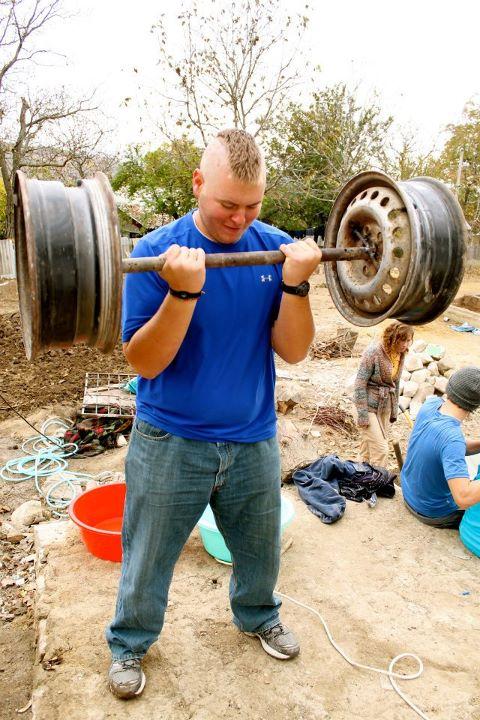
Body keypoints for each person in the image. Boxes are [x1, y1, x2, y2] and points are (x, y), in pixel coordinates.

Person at [105, 129, 322, 699]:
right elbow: (145, 361)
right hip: (170, 439)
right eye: (228, 203)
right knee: (148, 554)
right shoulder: (158, 253)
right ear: (198, 183)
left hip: (253, 436)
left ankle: (258, 615)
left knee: (260, 550)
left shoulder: (275, 250)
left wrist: (296, 287)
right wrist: (182, 293)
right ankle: (129, 642)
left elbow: (295, 351)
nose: (239, 218)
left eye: (253, 205)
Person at [401, 366, 480, 528]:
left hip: (409, 494)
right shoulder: (452, 438)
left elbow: (443, 446)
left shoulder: (432, 404)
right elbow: (463, 498)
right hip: (433, 512)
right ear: (475, 406)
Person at [353, 321, 414, 468]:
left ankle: (359, 476)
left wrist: (393, 411)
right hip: (367, 406)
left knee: (367, 449)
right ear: (392, 338)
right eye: (403, 340)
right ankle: (378, 479)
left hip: (384, 407)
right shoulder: (374, 352)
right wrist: (362, 415)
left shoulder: (400, 354)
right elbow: (359, 383)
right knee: (381, 450)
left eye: (409, 340)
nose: (406, 345)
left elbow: (395, 383)